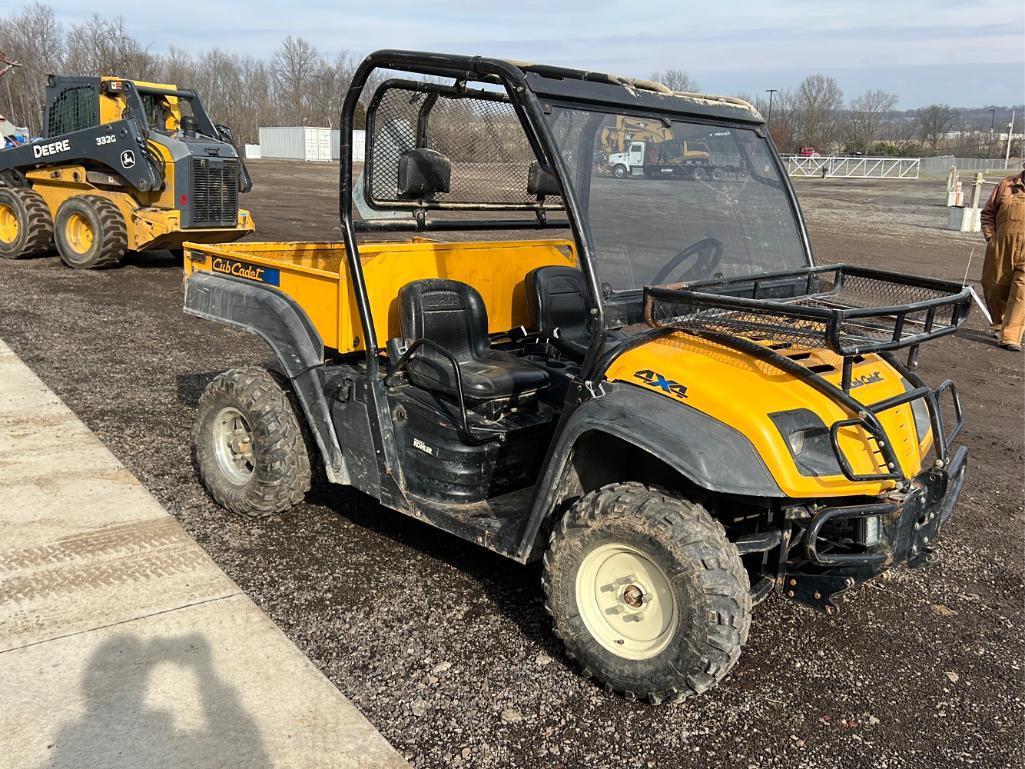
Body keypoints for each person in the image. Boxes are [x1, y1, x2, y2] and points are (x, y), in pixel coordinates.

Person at [980, 161, 1025, 352]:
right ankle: (998, 323)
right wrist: (991, 238)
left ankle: (1011, 336)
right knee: (993, 285)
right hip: (1001, 245)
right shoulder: (1006, 185)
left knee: (1021, 294)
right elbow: (988, 213)